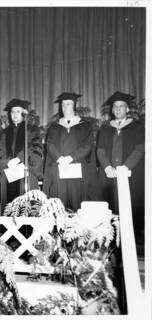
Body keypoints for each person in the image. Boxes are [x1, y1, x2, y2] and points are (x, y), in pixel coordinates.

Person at [96, 91, 144, 242]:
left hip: (130, 174)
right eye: (115, 107)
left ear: (127, 109)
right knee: (110, 205)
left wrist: (126, 167)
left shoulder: (138, 127)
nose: (118, 109)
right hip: (109, 175)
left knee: (131, 205)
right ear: (112, 110)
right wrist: (107, 168)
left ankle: (132, 240)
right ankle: (110, 241)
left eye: (121, 106)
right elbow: (100, 150)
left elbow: (140, 148)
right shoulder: (105, 128)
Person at [43, 92, 94, 211]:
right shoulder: (54, 126)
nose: (65, 107)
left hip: (78, 169)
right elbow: (49, 144)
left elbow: (88, 145)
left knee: (78, 201)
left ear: (74, 106)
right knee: (60, 202)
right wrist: (59, 158)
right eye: (63, 105)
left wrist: (71, 158)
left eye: (68, 104)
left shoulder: (85, 126)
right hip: (59, 168)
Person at [0, 99, 43, 211]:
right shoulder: (3, 133)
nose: (15, 114)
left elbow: (36, 149)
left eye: (18, 111)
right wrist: (7, 162)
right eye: (12, 112)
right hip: (8, 173)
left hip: (26, 172)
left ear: (24, 113)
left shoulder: (33, 130)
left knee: (27, 208)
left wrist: (18, 159)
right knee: (8, 209)